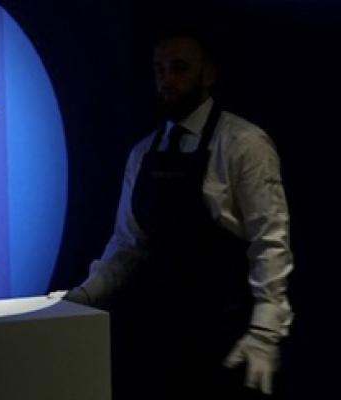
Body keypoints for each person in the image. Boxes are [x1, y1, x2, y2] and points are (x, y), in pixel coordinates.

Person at [62, 30, 293, 399]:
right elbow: (128, 244)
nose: (167, 80)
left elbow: (270, 243)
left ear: (208, 74)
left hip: (224, 336)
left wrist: (265, 332)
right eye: (160, 70)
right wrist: (84, 296)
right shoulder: (142, 153)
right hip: (159, 336)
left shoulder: (244, 144)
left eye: (179, 68)